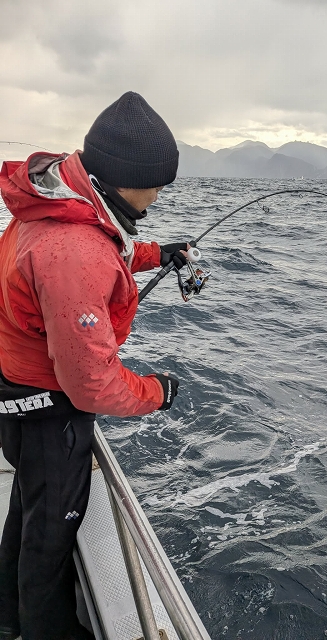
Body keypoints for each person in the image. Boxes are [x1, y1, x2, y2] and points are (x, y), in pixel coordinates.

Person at [0, 92, 190, 640]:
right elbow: (91, 385)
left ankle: (7, 618)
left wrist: (158, 253)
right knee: (49, 537)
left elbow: (108, 246)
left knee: (27, 512)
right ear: (127, 180)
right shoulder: (73, 250)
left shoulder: (59, 203)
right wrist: (157, 391)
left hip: (17, 392)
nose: (158, 195)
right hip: (48, 411)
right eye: (156, 185)